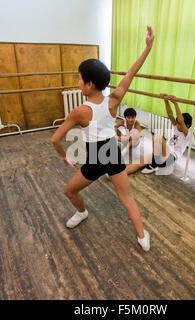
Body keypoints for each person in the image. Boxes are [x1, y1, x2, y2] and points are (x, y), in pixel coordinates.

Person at [51, 26, 154, 252]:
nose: (77, 82)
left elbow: (55, 140)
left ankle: (81, 212)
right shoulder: (113, 100)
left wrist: (63, 157)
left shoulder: (80, 111)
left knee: (69, 191)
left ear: (89, 84)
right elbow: (131, 73)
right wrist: (147, 47)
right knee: (126, 197)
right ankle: (141, 235)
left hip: (98, 157)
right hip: (111, 154)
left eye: (79, 79)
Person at [126, 94, 192, 175]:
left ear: (187, 126)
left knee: (157, 137)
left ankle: (154, 164)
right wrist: (165, 100)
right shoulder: (176, 127)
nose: (177, 125)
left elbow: (181, 121)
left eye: (179, 124)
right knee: (139, 162)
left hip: (170, 157)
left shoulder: (187, 134)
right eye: (177, 123)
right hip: (161, 153)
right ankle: (119, 174)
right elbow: (170, 114)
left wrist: (175, 103)